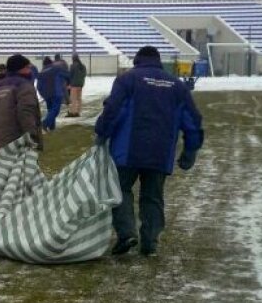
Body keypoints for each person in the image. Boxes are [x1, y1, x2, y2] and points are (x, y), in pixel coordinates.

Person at [94, 45, 204, 258]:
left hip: (127, 150)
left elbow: (113, 110)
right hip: (160, 151)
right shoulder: (177, 86)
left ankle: (126, 234)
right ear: (159, 61)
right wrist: (190, 149)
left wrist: (102, 132)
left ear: (137, 60)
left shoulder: (128, 79)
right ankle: (150, 242)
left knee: (121, 190)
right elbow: (192, 120)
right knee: (152, 196)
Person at [0, 54, 43, 151]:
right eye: (28, 68)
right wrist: (32, 137)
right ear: (20, 68)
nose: (30, 71)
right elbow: (26, 113)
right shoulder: (24, 86)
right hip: (19, 142)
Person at [37, 56, 70, 131]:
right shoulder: (57, 68)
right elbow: (68, 75)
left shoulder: (41, 72)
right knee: (55, 110)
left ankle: (51, 128)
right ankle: (45, 123)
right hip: (56, 92)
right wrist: (68, 83)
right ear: (51, 62)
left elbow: (38, 86)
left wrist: (43, 94)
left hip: (46, 94)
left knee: (50, 111)